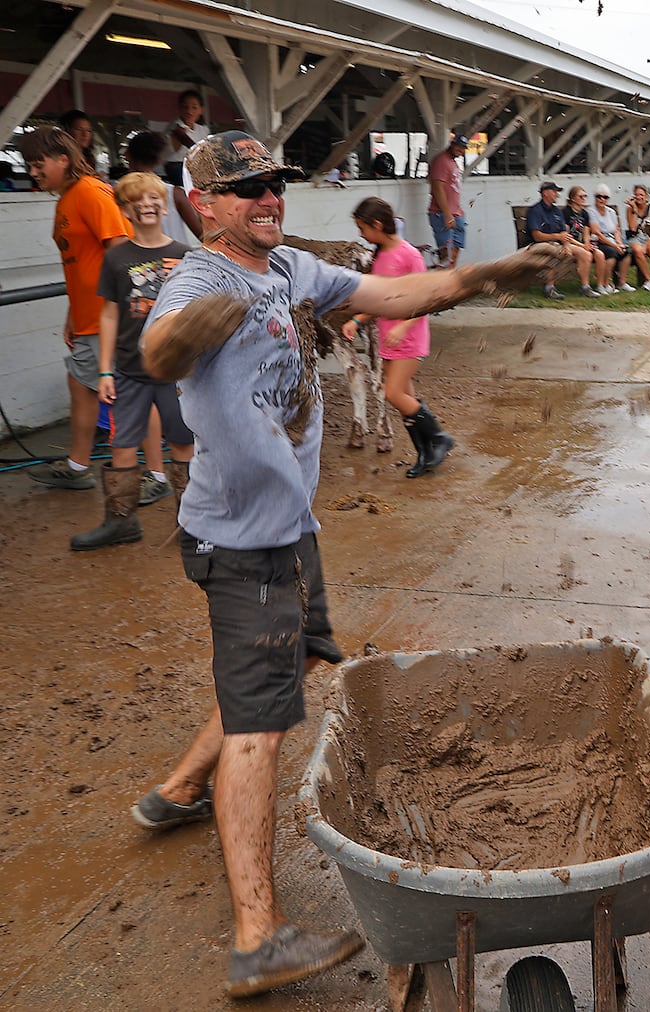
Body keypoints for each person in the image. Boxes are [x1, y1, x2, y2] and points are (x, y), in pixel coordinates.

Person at [131, 130, 557, 999]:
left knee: (279, 669)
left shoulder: (289, 268)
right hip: (242, 541)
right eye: (245, 188)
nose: (266, 198)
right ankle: (257, 938)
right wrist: (182, 343)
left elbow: (398, 289)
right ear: (203, 204)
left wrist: (487, 274)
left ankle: (176, 789)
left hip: (290, 526)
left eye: (273, 184)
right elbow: (159, 349)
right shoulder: (201, 278)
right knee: (261, 723)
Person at [70, 171, 195, 551]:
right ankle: (121, 521)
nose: (147, 206)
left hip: (176, 374)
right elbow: (108, 314)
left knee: (183, 445)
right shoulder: (116, 257)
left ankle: (192, 524)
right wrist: (104, 370)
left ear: (164, 205)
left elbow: (195, 314)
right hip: (128, 373)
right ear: (125, 209)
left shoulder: (186, 255)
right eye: (136, 201)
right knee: (122, 445)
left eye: (154, 199)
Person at [20, 127, 132, 491]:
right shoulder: (67, 198)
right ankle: (79, 464)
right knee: (83, 385)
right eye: (29, 166)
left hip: (107, 315)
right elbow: (79, 263)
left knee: (122, 393)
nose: (33, 173)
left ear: (62, 159)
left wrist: (119, 312)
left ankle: (143, 475)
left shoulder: (91, 192)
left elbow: (121, 249)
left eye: (38, 165)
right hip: (88, 317)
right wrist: (73, 315)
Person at [347, 196, 454, 477]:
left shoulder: (409, 255)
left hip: (409, 338)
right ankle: (425, 454)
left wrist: (403, 326)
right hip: (388, 340)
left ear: (378, 224)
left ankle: (440, 437)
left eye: (363, 228)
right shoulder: (380, 256)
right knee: (407, 400)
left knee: (393, 393)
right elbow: (381, 301)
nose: (361, 234)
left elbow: (428, 299)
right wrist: (357, 320)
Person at [125, 129, 202, 241]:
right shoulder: (175, 194)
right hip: (176, 257)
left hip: (135, 257)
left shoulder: (118, 194)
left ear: (127, 155)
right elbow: (201, 235)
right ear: (159, 159)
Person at [525, 181, 597, 299]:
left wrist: (567, 245)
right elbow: (537, 236)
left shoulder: (556, 211)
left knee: (585, 254)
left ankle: (585, 287)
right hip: (537, 245)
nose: (557, 195)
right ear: (545, 193)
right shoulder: (535, 210)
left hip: (556, 243)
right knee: (556, 252)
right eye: (554, 192)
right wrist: (558, 238)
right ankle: (549, 288)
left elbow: (564, 232)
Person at [427, 132, 470, 268]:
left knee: (455, 251)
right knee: (446, 255)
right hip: (442, 214)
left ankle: (450, 280)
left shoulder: (452, 162)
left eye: (463, 148)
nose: (461, 150)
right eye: (458, 146)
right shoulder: (441, 161)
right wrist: (447, 214)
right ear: (452, 144)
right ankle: (443, 284)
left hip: (456, 214)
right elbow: (437, 188)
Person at [588, 184, 632, 293]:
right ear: (595, 197)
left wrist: (619, 243)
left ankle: (622, 283)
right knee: (611, 253)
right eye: (599, 196)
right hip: (598, 240)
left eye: (605, 197)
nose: (602, 199)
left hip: (612, 239)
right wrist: (615, 246)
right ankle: (604, 284)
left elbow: (616, 230)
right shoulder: (591, 211)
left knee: (628, 251)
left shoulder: (611, 212)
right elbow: (597, 233)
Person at [160, 89, 209, 185]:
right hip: (176, 167)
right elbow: (189, 144)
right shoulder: (175, 127)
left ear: (201, 110)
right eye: (185, 107)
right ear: (180, 108)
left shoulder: (203, 130)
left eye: (194, 107)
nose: (189, 111)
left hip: (196, 166)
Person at [563, 185, 604, 296]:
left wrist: (587, 244)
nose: (583, 198)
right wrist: (582, 246)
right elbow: (565, 234)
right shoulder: (566, 212)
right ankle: (585, 287)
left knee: (599, 254)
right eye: (580, 196)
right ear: (572, 198)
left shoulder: (584, 213)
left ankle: (600, 286)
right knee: (587, 255)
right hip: (569, 243)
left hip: (580, 244)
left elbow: (586, 233)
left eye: (585, 196)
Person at [624, 184, 650, 291]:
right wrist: (634, 208)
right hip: (636, 237)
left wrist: (648, 243)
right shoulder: (630, 209)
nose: (639, 197)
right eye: (637, 195)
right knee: (637, 250)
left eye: (641, 195)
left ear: (646, 196)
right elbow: (633, 228)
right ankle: (649, 280)